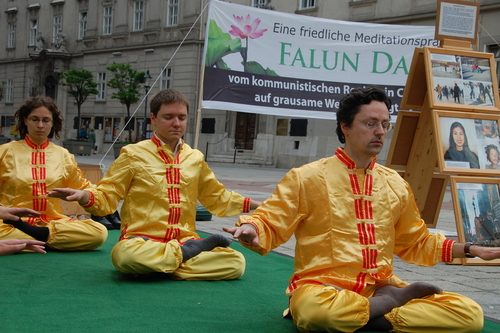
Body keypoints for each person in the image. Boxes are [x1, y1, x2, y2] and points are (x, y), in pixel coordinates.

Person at [223, 87, 496, 333]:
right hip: (323, 289)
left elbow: (417, 241)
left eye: (385, 125)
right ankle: (390, 305)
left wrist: (471, 249)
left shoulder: (395, 184)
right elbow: (271, 218)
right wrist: (252, 227)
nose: (380, 132)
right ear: (345, 127)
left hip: (378, 285)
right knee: (316, 311)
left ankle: (373, 313)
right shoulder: (307, 177)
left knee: (469, 314)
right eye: (370, 123)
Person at [49, 88, 261, 279]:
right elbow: (108, 195)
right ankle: (187, 256)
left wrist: (257, 205)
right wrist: (85, 196)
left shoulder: (194, 157)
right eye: (168, 117)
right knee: (124, 256)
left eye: (182, 117)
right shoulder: (133, 154)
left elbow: (217, 197)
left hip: (184, 238)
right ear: (153, 118)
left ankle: (170, 260)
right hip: (142, 242)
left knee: (235, 263)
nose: (176, 123)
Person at [0, 96, 108, 251]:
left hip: (52, 223)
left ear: (53, 123)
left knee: (99, 233)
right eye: (34, 119)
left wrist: (82, 195)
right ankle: (46, 240)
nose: (40, 125)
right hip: (8, 224)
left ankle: (34, 238)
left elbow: (85, 188)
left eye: (46, 120)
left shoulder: (63, 155)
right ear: (25, 120)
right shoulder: (5, 152)